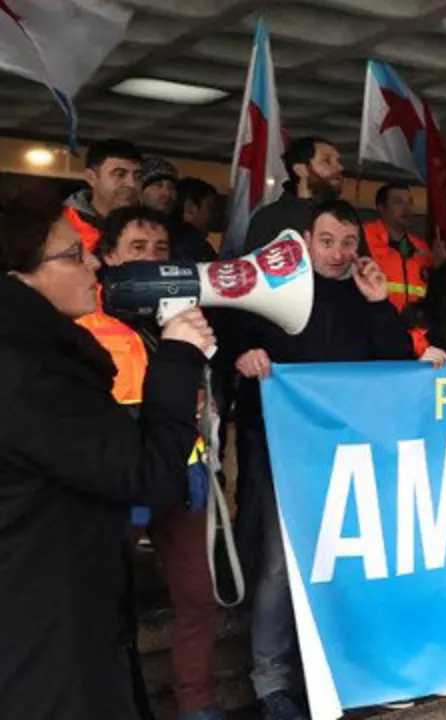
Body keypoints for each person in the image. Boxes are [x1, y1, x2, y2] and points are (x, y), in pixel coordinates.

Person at [0, 199, 214, 719]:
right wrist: (180, 358)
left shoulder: (34, 356)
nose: (93, 265)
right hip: (51, 641)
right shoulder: (29, 376)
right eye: (74, 255)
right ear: (18, 278)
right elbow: (144, 476)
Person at [227, 200, 414, 720]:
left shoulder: (362, 293)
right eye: (328, 240)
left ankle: (335, 670)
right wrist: (244, 355)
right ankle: (272, 685)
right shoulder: (273, 285)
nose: (338, 253)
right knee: (278, 566)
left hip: (347, 450)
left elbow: (396, 363)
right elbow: (232, 334)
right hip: (280, 444)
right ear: (306, 239)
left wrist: (379, 303)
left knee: (348, 559)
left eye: (349, 243)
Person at [80, 206, 224, 720]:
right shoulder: (83, 323)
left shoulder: (179, 317)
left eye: (160, 251)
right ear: (109, 257)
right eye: (136, 249)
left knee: (196, 597)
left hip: (181, 474)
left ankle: (198, 705)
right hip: (116, 481)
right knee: (108, 606)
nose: (149, 259)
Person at [243, 136, 344, 254]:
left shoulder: (345, 217)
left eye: (338, 161)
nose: (340, 168)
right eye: (327, 161)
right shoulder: (270, 219)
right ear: (301, 170)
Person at [64, 138, 143, 253]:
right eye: (120, 174)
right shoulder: (62, 223)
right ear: (91, 177)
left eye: (138, 176)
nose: (132, 184)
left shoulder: (152, 226)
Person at [364, 182, 432, 312]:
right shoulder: (364, 237)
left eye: (409, 202)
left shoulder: (421, 247)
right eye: (398, 202)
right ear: (381, 207)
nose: (406, 208)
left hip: (414, 328)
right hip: (375, 324)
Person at [170, 178, 219, 263]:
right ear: (190, 208)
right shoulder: (198, 247)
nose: (215, 214)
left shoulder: (162, 240)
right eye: (210, 208)